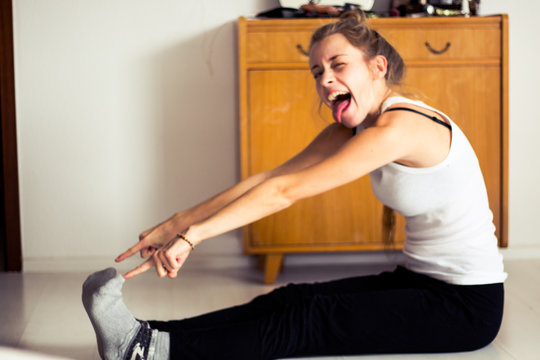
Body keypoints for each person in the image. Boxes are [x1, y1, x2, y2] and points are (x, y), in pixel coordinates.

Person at [82, 11, 506, 360]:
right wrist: (178, 222)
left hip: (466, 305)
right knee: (289, 300)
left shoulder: (400, 128)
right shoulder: (355, 126)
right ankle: (148, 338)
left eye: (339, 66)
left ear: (378, 67)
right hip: (420, 280)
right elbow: (270, 179)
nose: (325, 81)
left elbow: (286, 193)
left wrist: (191, 239)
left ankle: (146, 351)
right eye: (318, 71)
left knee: (308, 320)